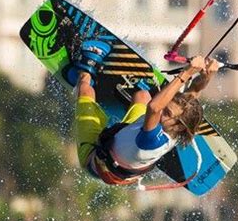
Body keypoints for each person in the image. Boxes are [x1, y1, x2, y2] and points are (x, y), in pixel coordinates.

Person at [69, 40, 220, 186]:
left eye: (166, 112)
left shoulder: (153, 141)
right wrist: (207, 77)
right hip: (126, 158)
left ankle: (85, 70)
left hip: (96, 161)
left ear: (180, 126)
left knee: (86, 89)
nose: (162, 111)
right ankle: (125, 117)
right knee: (142, 96)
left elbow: (154, 107)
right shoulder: (176, 126)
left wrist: (187, 73)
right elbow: (192, 94)